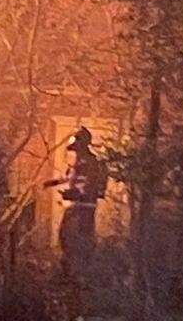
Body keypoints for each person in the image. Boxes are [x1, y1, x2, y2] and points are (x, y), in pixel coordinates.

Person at [44, 126, 108, 315]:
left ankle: (78, 280)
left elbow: (87, 187)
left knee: (77, 242)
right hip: (75, 208)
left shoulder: (91, 163)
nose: (75, 151)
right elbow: (69, 178)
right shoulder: (79, 162)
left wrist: (73, 194)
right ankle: (71, 278)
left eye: (76, 146)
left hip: (83, 210)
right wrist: (53, 183)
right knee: (65, 238)